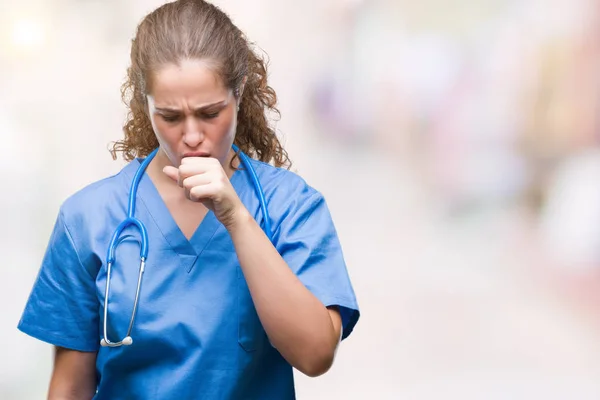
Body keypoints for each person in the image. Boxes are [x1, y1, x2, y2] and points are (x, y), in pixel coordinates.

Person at [17, 0, 360, 399]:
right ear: (144, 104)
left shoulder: (291, 207)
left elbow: (316, 354)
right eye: (171, 116)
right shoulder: (88, 221)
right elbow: (69, 389)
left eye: (210, 113)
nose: (192, 135)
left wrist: (236, 218)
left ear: (240, 91)